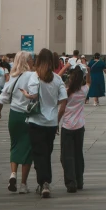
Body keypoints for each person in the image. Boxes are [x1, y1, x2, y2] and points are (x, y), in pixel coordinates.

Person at [22, 47, 68, 199]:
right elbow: (63, 100)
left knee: (38, 153)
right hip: (51, 122)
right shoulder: (57, 79)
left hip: (36, 121)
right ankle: (45, 181)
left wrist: (26, 94)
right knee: (46, 152)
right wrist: (57, 118)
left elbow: (34, 95)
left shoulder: (35, 77)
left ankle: (44, 182)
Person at [0, 50, 34, 194]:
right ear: (27, 62)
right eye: (31, 59)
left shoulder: (12, 77)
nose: (33, 61)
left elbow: (2, 98)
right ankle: (23, 184)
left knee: (14, 145)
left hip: (13, 115)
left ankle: (13, 173)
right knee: (27, 149)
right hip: (28, 115)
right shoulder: (32, 76)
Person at [59, 66, 88, 193]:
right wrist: (88, 71)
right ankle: (79, 180)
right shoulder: (84, 91)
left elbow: (62, 109)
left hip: (67, 127)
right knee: (78, 154)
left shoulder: (66, 92)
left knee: (66, 156)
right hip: (79, 127)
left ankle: (71, 183)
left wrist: (56, 122)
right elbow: (89, 82)